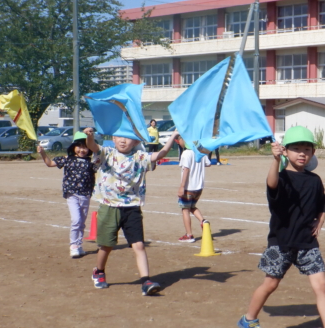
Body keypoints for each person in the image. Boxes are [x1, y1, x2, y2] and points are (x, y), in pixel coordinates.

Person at [237, 126, 325, 328]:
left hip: (307, 242)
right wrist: (274, 160)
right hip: (281, 242)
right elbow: (272, 184)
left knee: (321, 286)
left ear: (313, 153)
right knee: (270, 284)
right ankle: (248, 320)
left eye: (307, 149)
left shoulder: (315, 180)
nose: (302, 153)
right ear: (286, 151)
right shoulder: (282, 178)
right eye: (296, 149)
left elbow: (322, 204)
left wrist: (320, 221)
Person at [84, 126, 179, 295]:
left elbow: (161, 154)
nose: (123, 140)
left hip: (132, 207)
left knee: (139, 245)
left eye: (128, 138)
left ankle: (146, 281)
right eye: (119, 137)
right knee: (106, 246)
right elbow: (92, 146)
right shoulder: (107, 153)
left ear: (135, 142)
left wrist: (174, 135)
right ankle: (99, 271)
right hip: (109, 206)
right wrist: (89, 136)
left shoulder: (140, 157)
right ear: (113, 138)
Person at [37, 132, 97, 258]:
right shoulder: (67, 159)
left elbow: (101, 171)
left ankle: (79, 245)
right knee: (76, 220)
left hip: (85, 195)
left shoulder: (91, 162)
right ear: (73, 147)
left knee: (82, 222)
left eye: (85, 147)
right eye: (79, 146)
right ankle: (73, 246)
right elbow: (49, 163)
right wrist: (42, 153)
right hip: (72, 194)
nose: (82, 150)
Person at [177, 138, 212, 242]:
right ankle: (203, 221)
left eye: (179, 139)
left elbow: (186, 169)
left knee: (185, 209)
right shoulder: (200, 151)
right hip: (199, 187)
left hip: (189, 187)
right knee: (192, 206)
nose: (179, 142)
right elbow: (208, 163)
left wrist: (182, 186)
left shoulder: (186, 153)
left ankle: (189, 235)